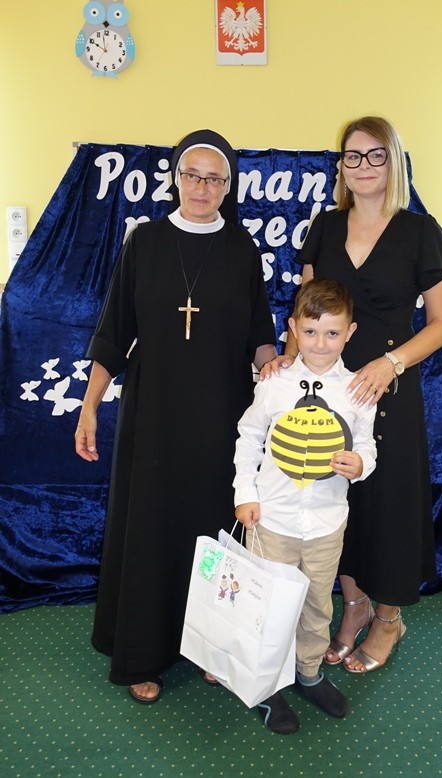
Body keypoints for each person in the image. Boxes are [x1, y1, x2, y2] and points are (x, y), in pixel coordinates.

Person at [74, 129, 277, 704]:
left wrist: (279, 374)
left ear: (228, 187)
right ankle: (143, 653)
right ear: (176, 179)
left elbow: (259, 336)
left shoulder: (241, 249)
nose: (202, 187)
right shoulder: (145, 242)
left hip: (221, 418)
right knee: (153, 529)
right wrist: (89, 406)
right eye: (193, 175)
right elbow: (114, 333)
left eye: (215, 178)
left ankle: (211, 647)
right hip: (155, 416)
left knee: (215, 532)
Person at [263, 116, 442, 674]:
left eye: (376, 155)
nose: (364, 166)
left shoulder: (421, 231)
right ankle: (354, 607)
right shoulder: (325, 227)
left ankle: (389, 619)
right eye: (353, 156)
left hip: (388, 387)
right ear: (341, 167)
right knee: (338, 500)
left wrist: (390, 362)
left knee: (388, 508)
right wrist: (288, 359)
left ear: (393, 162)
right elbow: (306, 307)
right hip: (327, 389)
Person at [234, 278, 377, 734]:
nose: (320, 343)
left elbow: (367, 444)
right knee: (269, 604)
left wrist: (361, 464)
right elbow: (249, 437)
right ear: (293, 328)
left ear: (350, 333)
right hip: (271, 519)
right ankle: (266, 685)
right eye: (310, 332)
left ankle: (308, 671)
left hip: (325, 523)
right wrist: (244, 493)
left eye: (332, 333)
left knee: (316, 604)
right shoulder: (273, 382)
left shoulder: (356, 389)